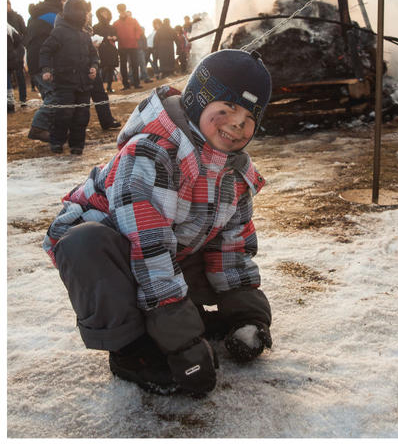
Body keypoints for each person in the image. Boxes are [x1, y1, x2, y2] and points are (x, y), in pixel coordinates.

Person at [42, 49, 274, 396]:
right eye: (225, 110)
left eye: (247, 118)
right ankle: (132, 349)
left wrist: (247, 317)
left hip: (164, 249)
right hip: (114, 255)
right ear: (198, 101)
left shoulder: (234, 173)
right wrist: (180, 344)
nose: (236, 124)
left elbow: (232, 247)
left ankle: (180, 318)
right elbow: (149, 249)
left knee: (202, 239)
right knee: (85, 244)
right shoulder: (151, 154)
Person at [38, 0, 99, 155]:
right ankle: (56, 141)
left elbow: (94, 55)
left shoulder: (85, 35)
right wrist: (46, 69)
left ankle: (77, 145)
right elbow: (45, 51)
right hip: (64, 82)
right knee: (63, 114)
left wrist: (94, 66)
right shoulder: (59, 32)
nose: (86, 16)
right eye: (84, 12)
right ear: (75, 12)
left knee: (82, 116)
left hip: (83, 83)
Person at [67, 0, 121, 132]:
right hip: (76, 62)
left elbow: (87, 31)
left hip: (90, 59)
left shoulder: (85, 10)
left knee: (99, 91)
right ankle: (73, 128)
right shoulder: (66, 14)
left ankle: (107, 120)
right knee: (78, 97)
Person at [24, 0, 67, 141]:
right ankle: (38, 127)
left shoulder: (36, 15)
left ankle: (52, 130)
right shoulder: (52, 15)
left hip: (36, 61)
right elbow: (64, 34)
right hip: (45, 62)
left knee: (50, 96)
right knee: (55, 96)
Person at [113, 4, 142, 90]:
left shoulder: (133, 20)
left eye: (123, 9)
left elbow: (139, 30)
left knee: (135, 64)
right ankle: (126, 85)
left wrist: (135, 38)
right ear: (118, 11)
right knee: (123, 66)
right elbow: (114, 34)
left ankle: (136, 83)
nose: (122, 11)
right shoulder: (116, 23)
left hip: (133, 46)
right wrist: (116, 38)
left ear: (125, 9)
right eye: (120, 10)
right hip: (122, 47)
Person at [93, 7, 120, 94]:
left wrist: (115, 37)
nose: (105, 14)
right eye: (102, 12)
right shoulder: (96, 27)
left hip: (111, 49)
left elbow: (116, 36)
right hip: (102, 49)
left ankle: (109, 86)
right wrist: (106, 38)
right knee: (103, 68)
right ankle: (101, 88)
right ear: (99, 14)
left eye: (106, 12)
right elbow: (95, 37)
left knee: (111, 68)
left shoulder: (111, 26)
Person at [7, 0, 27, 108]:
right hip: (7, 50)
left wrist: (21, 45)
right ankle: (9, 100)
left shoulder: (17, 17)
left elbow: (25, 31)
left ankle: (23, 98)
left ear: (9, 4)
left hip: (17, 49)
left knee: (20, 74)